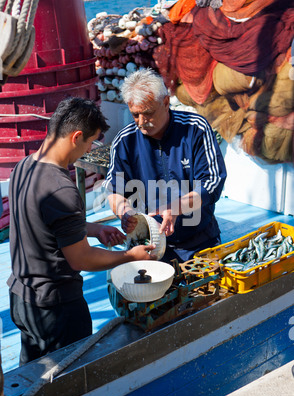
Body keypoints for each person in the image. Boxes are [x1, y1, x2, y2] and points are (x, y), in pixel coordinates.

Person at [7, 96, 155, 365]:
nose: (88, 150)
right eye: (90, 142)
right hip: (55, 309)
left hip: (22, 298)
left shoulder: (24, 167)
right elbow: (81, 259)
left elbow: (41, 222)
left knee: (31, 381)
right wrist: (130, 258)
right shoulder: (62, 189)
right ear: (76, 137)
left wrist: (93, 229)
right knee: (67, 384)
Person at [104, 68, 227, 263]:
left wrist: (177, 207)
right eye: (135, 115)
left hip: (199, 242)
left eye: (148, 113)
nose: (142, 122)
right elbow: (113, 189)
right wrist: (124, 212)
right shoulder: (124, 141)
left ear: (166, 102)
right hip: (148, 246)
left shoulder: (195, 129)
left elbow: (212, 183)